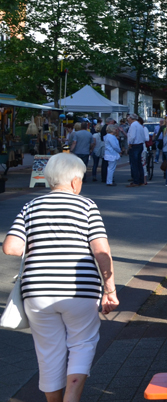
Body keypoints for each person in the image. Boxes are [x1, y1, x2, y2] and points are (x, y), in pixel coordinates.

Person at [3, 153, 119, 402]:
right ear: (76, 181)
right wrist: (110, 289)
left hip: (37, 290)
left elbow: (11, 247)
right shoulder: (87, 205)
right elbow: (101, 250)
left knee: (48, 351)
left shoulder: (30, 206)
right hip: (80, 290)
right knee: (82, 343)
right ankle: (72, 398)